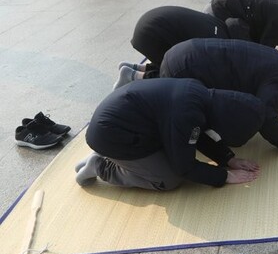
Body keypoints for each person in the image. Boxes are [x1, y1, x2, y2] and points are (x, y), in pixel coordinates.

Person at [117, 38, 278, 150]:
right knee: (182, 104)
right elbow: (264, 113)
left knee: (169, 82)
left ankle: (134, 75)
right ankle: (129, 100)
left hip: (184, 50)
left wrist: (277, 106)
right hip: (188, 69)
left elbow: (266, 96)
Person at [74, 78, 264, 190]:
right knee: (169, 179)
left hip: (123, 124)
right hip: (111, 136)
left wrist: (227, 158)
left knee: (175, 153)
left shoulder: (201, 95)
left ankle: (116, 157)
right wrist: (224, 176)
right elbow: (185, 167)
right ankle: (102, 166)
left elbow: (196, 133)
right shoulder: (185, 116)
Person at [129, 5, 250, 70]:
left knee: (174, 63)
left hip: (149, 22)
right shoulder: (218, 44)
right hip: (151, 35)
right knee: (173, 72)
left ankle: (137, 69)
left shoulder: (219, 25)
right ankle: (134, 78)